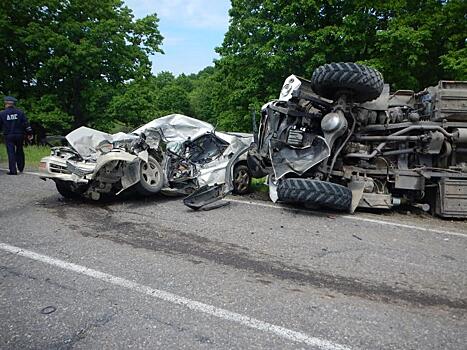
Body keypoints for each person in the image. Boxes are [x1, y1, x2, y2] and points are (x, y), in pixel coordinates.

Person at [0, 96, 33, 175]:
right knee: (20, 150)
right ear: (13, 104)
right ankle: (21, 167)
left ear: (6, 103)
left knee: (11, 152)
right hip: (19, 134)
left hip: (8, 135)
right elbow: (26, 123)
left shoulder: (2, 113)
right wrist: (30, 133)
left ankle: (13, 170)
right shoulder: (20, 112)